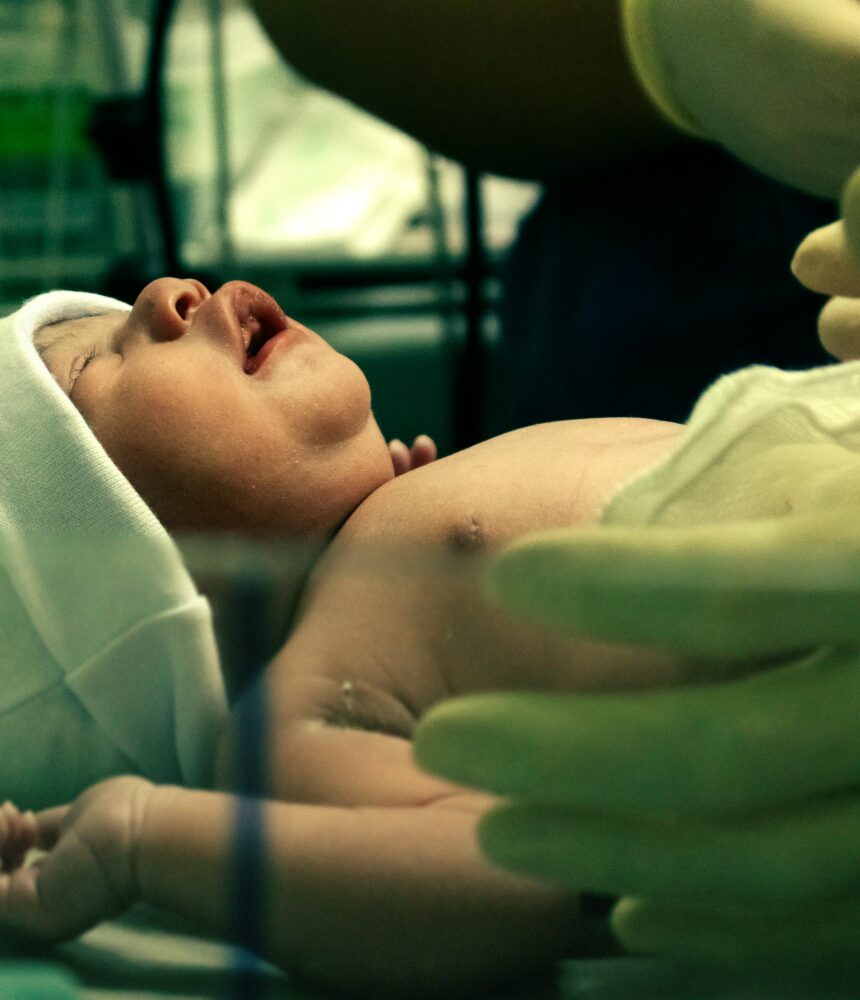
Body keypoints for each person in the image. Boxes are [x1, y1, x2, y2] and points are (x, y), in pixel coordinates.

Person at [6, 261, 852, 993]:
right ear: (127, 609)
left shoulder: (380, 558)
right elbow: (509, 880)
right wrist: (146, 840)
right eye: (96, 363)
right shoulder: (295, 717)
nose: (163, 294)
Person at [413, 186, 860, 967]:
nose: (161, 298)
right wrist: (142, 834)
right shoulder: (294, 685)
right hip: (795, 714)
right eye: (116, 353)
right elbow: (490, 887)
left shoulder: (395, 503)